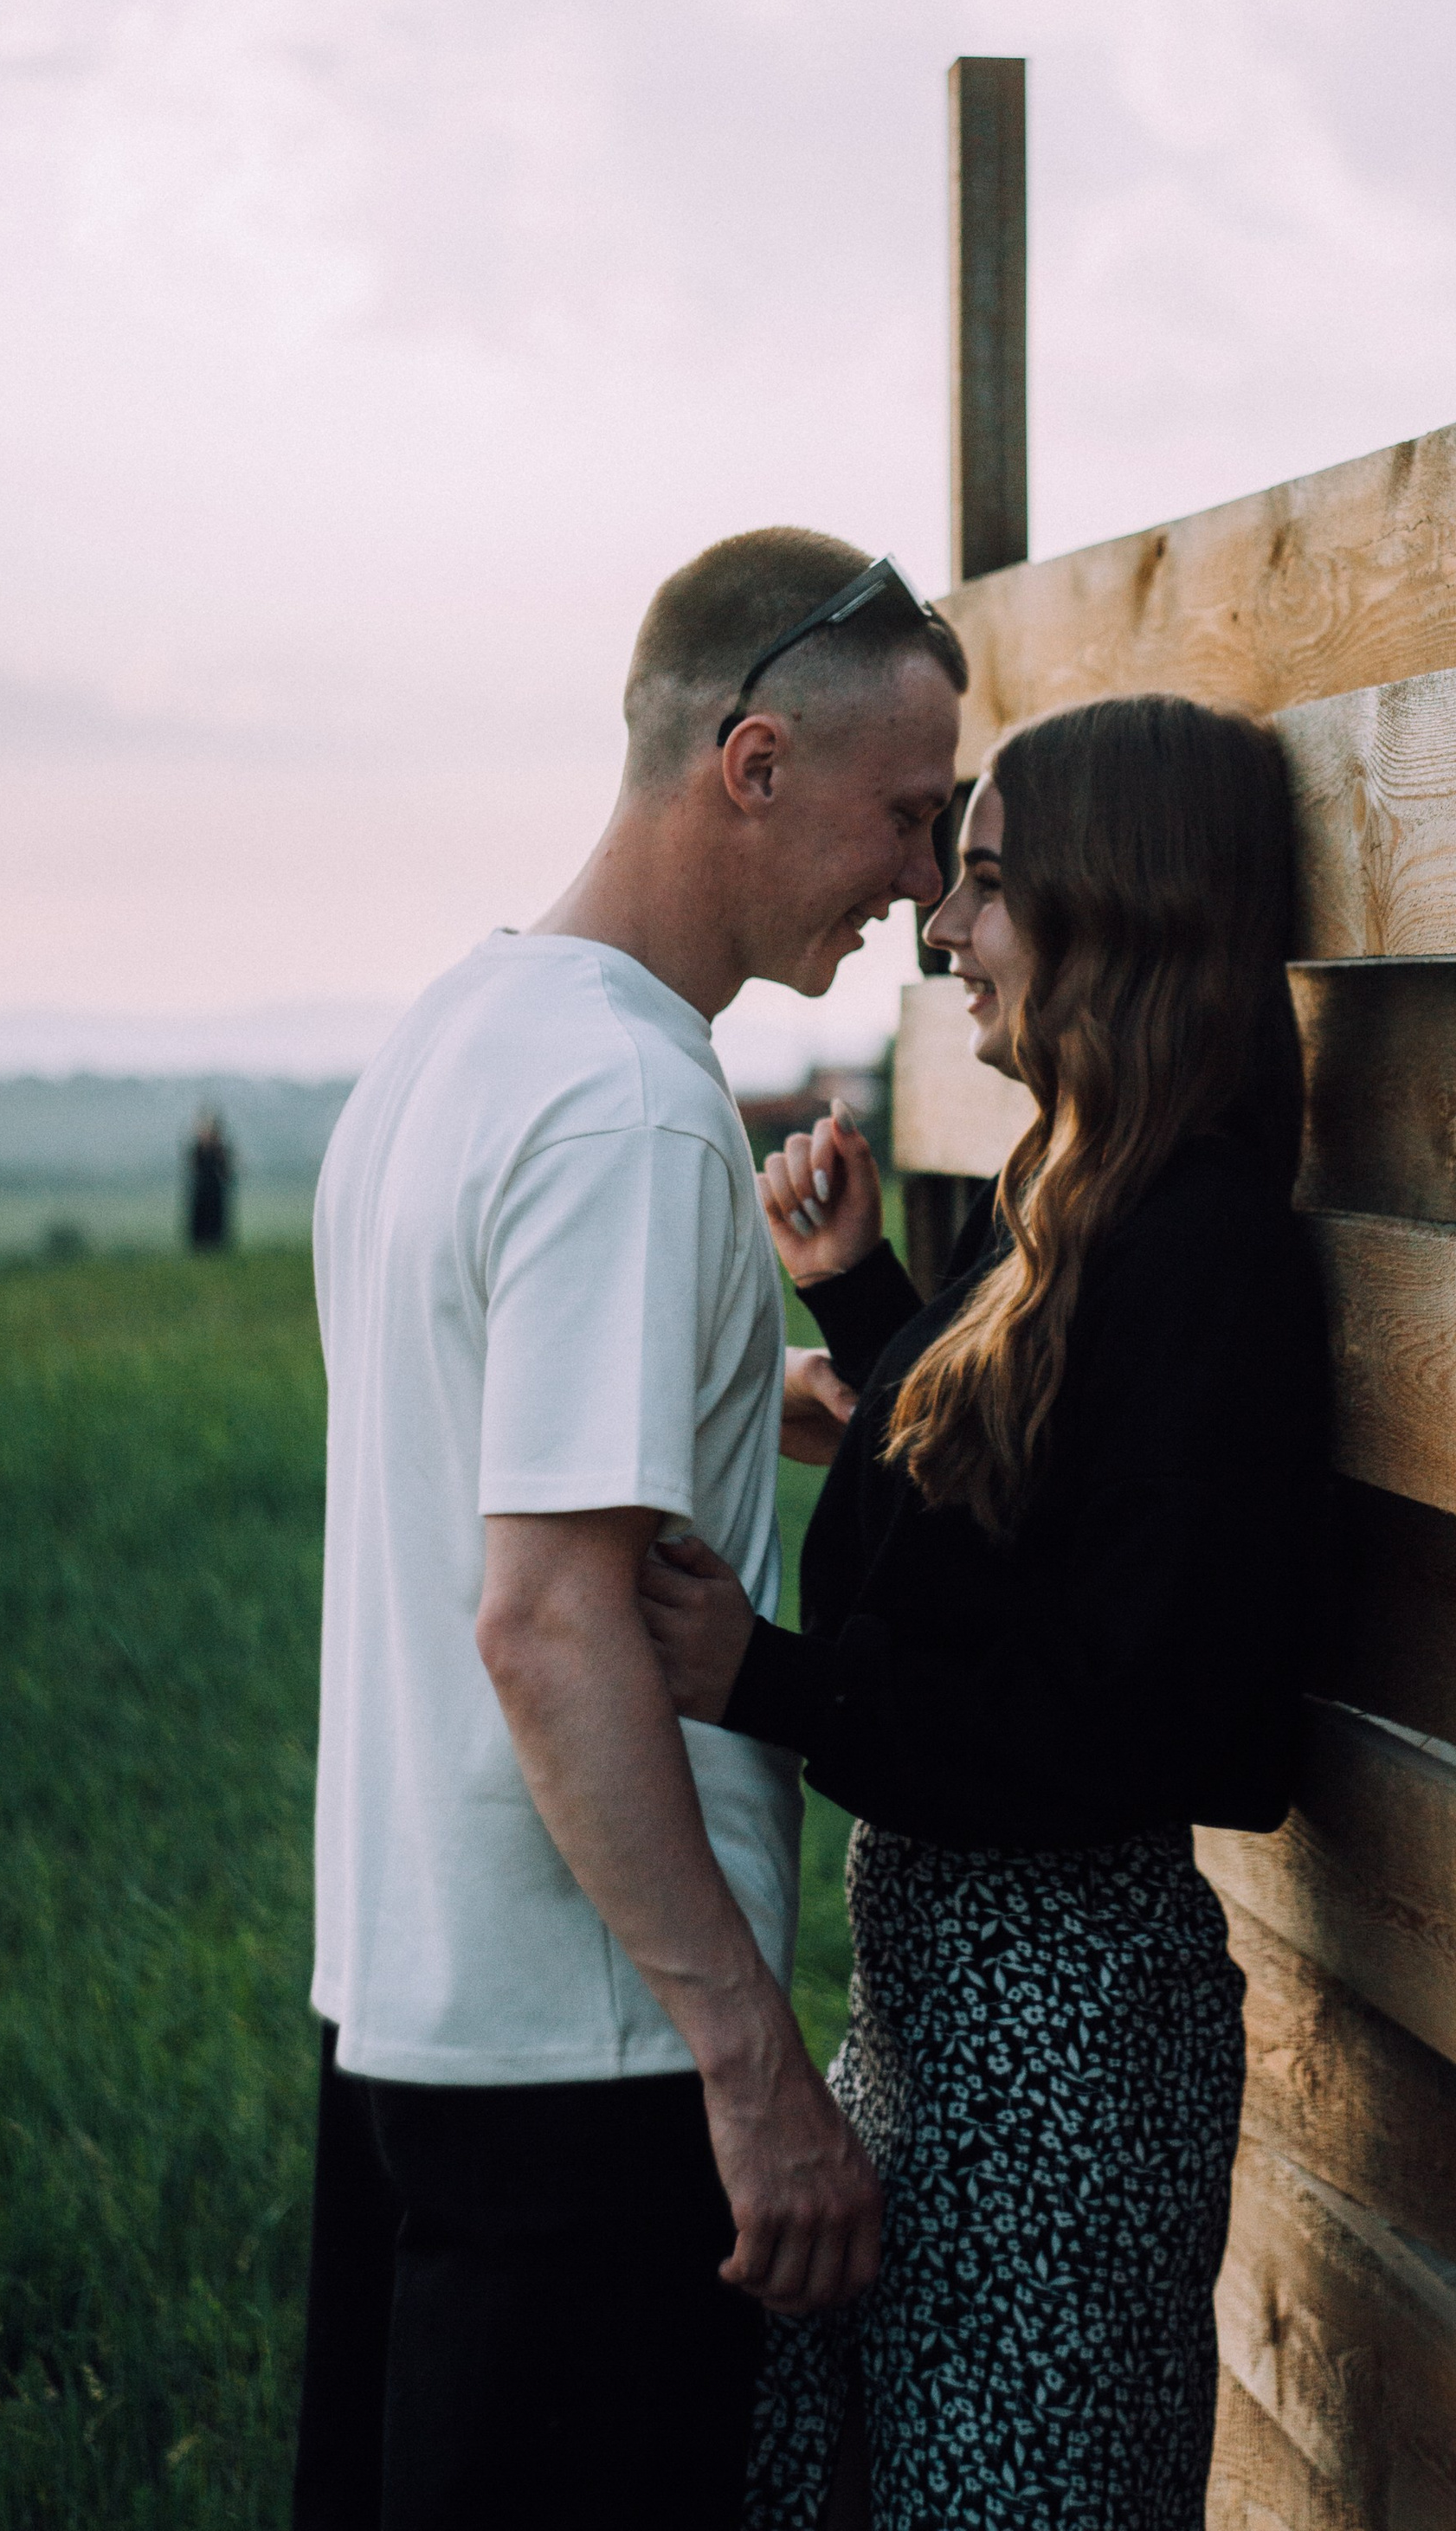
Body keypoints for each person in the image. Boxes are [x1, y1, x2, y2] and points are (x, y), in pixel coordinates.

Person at [293, 530, 967, 2531]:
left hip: (414, 2006)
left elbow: (474, 1421)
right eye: (906, 815)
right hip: (591, 2056)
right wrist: (752, 2064)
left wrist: (744, 1397)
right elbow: (549, 1626)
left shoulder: (455, 1039)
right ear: (752, 762)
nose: (922, 882)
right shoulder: (628, 1107)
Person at [639, 693, 1331, 2531]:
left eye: (993, 885)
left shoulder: (1206, 1252)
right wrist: (867, 1313)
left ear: (1127, 906)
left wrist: (769, 1681)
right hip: (944, 2019)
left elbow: (1144, 1706)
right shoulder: (1070, 1203)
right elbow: (1046, 1522)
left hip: (1064, 2054)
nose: (943, 931)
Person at [186, 1109, 234, 1251]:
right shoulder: (198, 1148)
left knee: (215, 1219)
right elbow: (192, 1168)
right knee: (200, 1219)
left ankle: (216, 1245)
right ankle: (199, 1246)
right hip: (201, 1189)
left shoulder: (220, 1149)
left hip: (215, 1189)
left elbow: (226, 1172)